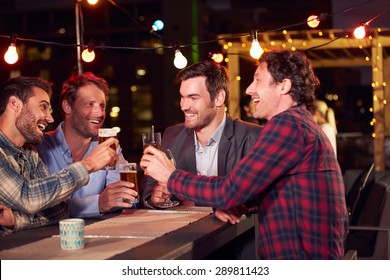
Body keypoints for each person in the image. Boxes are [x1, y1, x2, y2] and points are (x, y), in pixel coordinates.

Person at [140, 49, 348, 259]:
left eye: (257, 80)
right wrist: (241, 204)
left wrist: (170, 176)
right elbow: (280, 188)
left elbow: (227, 191)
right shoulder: (299, 123)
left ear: (283, 86)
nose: (249, 89)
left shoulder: (287, 126)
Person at [141, 60, 262, 225]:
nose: (184, 106)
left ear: (218, 98)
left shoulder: (252, 137)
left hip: (235, 240)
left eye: (193, 98)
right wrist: (154, 197)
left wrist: (240, 205)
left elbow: (260, 193)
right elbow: (150, 181)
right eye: (182, 97)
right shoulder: (172, 135)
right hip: (185, 239)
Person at [0, 76, 119, 236]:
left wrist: (16, 220)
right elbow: (28, 197)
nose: (50, 118)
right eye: (43, 107)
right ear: (15, 104)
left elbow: (60, 211)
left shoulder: (30, 153)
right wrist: (88, 165)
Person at [36, 72, 137, 218]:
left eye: (102, 106)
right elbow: (41, 205)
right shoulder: (40, 147)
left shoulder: (108, 145)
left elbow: (129, 197)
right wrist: (98, 203)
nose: (99, 113)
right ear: (67, 106)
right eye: (90, 104)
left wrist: (121, 198)